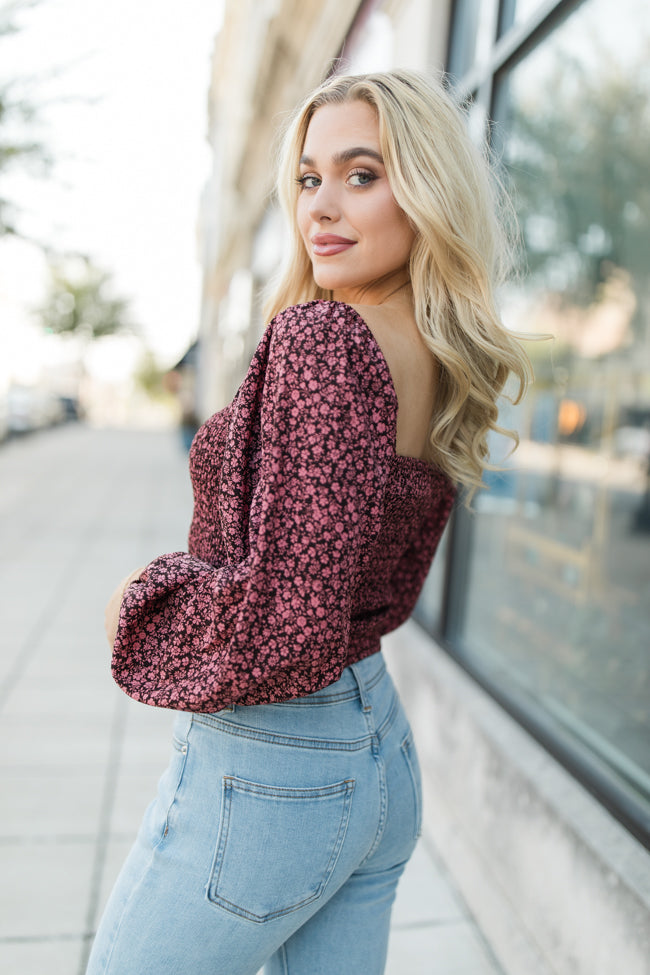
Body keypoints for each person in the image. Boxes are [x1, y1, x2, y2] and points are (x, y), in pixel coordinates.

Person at [87, 70, 530, 975]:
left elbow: (289, 619)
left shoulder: (327, 340)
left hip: (274, 764)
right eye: (307, 177)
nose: (321, 207)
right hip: (375, 748)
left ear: (424, 189)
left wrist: (142, 601)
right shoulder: (430, 347)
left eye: (361, 174)